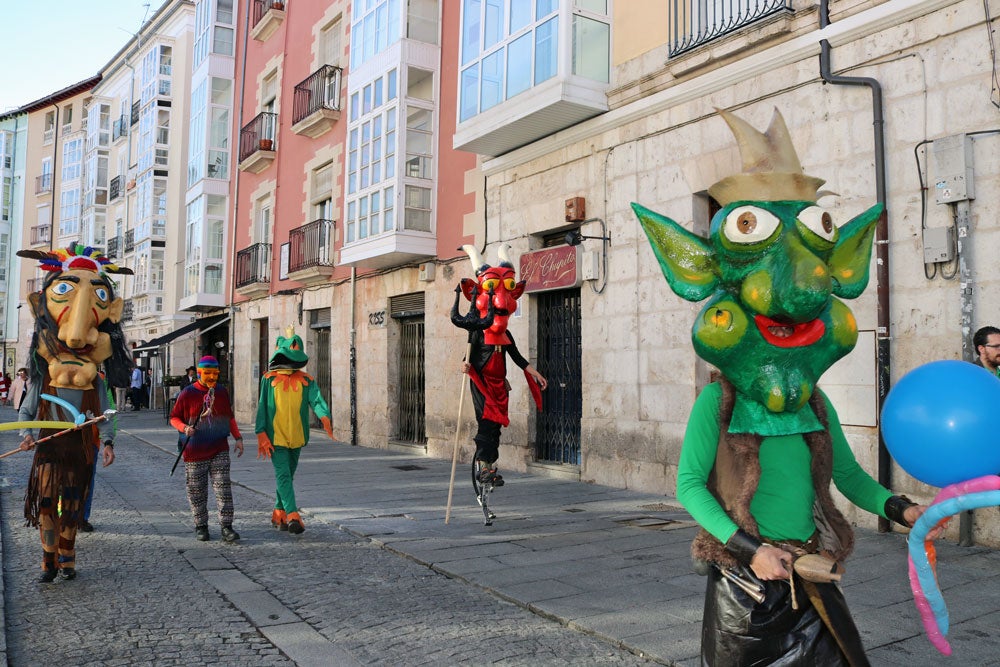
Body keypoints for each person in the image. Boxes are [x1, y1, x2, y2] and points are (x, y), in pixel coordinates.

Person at [635, 108, 938, 665]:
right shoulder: (717, 402)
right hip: (745, 586)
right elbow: (690, 486)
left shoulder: (815, 403)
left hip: (811, 570)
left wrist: (901, 508)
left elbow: (847, 475)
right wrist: (751, 550)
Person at [16, 244, 132, 582]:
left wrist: (107, 442)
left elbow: (106, 412)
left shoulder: (95, 378)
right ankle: (48, 560)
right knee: (47, 504)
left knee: (72, 504)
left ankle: (67, 556)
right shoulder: (45, 373)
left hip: (80, 448)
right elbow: (28, 407)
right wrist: (26, 434)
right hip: (49, 446)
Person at [451, 244, 546, 488]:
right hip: (482, 384)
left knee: (496, 426)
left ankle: (490, 466)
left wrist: (536, 374)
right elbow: (467, 359)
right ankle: (483, 468)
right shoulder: (478, 333)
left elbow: (517, 358)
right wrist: (465, 366)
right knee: (486, 423)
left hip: (499, 387)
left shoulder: (507, 335)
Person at [255, 327, 335, 534]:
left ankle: (278, 511)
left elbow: (316, 400)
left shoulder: (306, 380)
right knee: (283, 474)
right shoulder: (268, 380)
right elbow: (262, 406)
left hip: (297, 436)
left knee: (288, 475)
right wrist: (260, 431)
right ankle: (292, 516)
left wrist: (324, 416)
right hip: (275, 437)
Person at [169, 355, 243, 542]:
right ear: (200, 372)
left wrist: (238, 438)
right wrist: (185, 428)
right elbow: (174, 417)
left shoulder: (221, 392)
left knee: (223, 488)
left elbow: (229, 417)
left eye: (215, 373)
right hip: (194, 451)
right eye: (207, 373)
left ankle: (226, 526)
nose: (212, 377)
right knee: (197, 491)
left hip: (219, 448)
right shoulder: (187, 393)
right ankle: (201, 526)